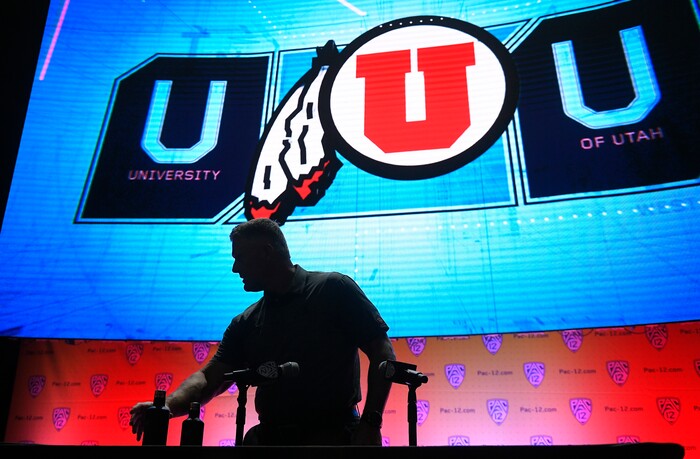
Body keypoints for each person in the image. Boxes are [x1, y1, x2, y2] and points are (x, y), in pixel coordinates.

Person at [129, 217, 396, 446]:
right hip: (269, 446)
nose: (235, 268)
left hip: (335, 441)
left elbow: (382, 352)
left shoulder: (334, 288)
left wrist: (371, 421)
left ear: (267, 252)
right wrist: (166, 407)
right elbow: (208, 379)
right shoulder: (245, 322)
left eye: (240, 258)